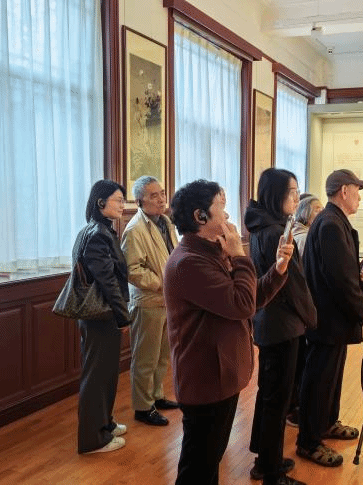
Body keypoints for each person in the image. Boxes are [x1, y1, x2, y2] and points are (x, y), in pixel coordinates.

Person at [164, 179, 293, 485]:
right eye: (221, 208)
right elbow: (242, 304)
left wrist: (278, 270)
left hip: (220, 377)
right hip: (205, 380)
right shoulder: (188, 262)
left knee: (209, 463)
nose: (227, 217)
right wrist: (240, 256)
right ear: (200, 216)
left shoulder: (209, 253)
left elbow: (248, 300)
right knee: (198, 469)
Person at [297, 169, 363, 467]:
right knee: (319, 380)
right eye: (357, 190)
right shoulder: (330, 223)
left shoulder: (333, 221)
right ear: (344, 191)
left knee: (330, 377)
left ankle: (327, 423)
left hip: (332, 319)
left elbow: (338, 270)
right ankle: (308, 441)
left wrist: (355, 271)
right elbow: (340, 281)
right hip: (327, 320)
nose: (359, 196)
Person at [244, 168, 316, 485]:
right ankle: (271, 472)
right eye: (292, 191)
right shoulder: (275, 231)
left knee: (269, 395)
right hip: (282, 324)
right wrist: (311, 317)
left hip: (270, 322)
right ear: (276, 195)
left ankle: (265, 459)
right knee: (278, 399)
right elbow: (293, 285)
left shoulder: (264, 225)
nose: (296, 197)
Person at [76, 180, 131, 454]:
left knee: (106, 374)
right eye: (118, 200)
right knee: (97, 376)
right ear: (101, 203)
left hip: (104, 314)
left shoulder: (100, 230)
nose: (123, 205)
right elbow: (107, 281)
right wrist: (123, 317)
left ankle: (104, 424)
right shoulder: (98, 234)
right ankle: (92, 440)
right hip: (101, 315)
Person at [121, 176, 179, 427]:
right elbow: (132, 270)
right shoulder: (134, 229)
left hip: (168, 300)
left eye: (162, 193)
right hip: (148, 302)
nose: (161, 199)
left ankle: (156, 395)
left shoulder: (166, 222)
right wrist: (161, 282)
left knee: (162, 356)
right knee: (145, 358)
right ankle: (143, 407)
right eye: (154, 195)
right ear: (139, 201)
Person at [285, 194, 323, 428]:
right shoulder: (304, 237)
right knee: (301, 362)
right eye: (317, 209)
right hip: (302, 308)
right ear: (306, 213)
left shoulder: (302, 234)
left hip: (301, 309)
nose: (321, 213)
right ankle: (294, 409)